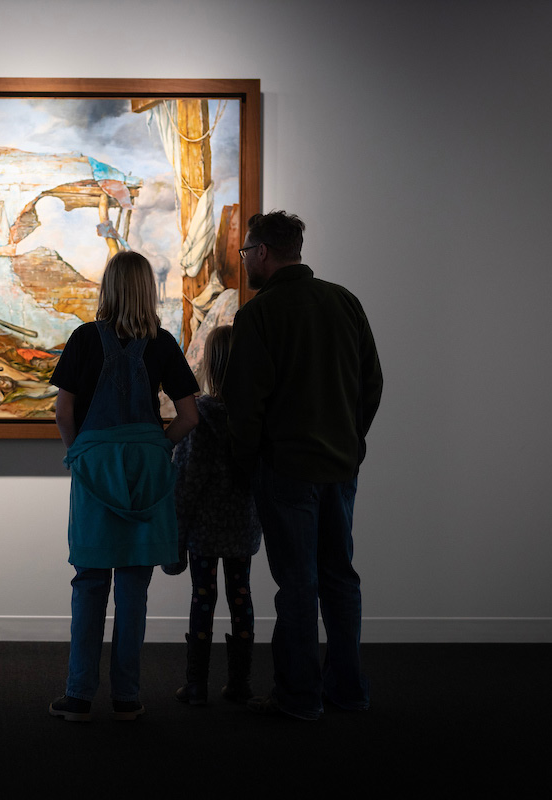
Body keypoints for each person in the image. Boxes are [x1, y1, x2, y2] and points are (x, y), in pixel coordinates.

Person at [224, 211, 382, 721]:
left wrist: (243, 467)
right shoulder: (344, 302)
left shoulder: (259, 315)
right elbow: (372, 383)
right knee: (341, 579)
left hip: (286, 470)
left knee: (297, 584)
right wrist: (351, 440)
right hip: (339, 468)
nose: (246, 260)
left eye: (247, 252)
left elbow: (245, 404)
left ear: (263, 252)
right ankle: (347, 691)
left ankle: (299, 697)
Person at [47, 249, 199, 722]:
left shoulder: (83, 339)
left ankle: (79, 696)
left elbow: (63, 410)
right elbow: (189, 416)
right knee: (135, 583)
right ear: (147, 291)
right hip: (146, 470)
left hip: (96, 467)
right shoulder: (164, 342)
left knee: (90, 581)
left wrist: (78, 454)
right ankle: (127, 697)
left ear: (108, 288)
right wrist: (159, 446)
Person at [165, 324, 263, 706]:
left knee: (202, 599)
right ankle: (240, 682)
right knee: (242, 597)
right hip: (242, 527)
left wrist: (176, 531)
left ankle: (196, 683)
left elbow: (188, 479)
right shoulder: (252, 414)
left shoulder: (202, 413)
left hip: (205, 531)